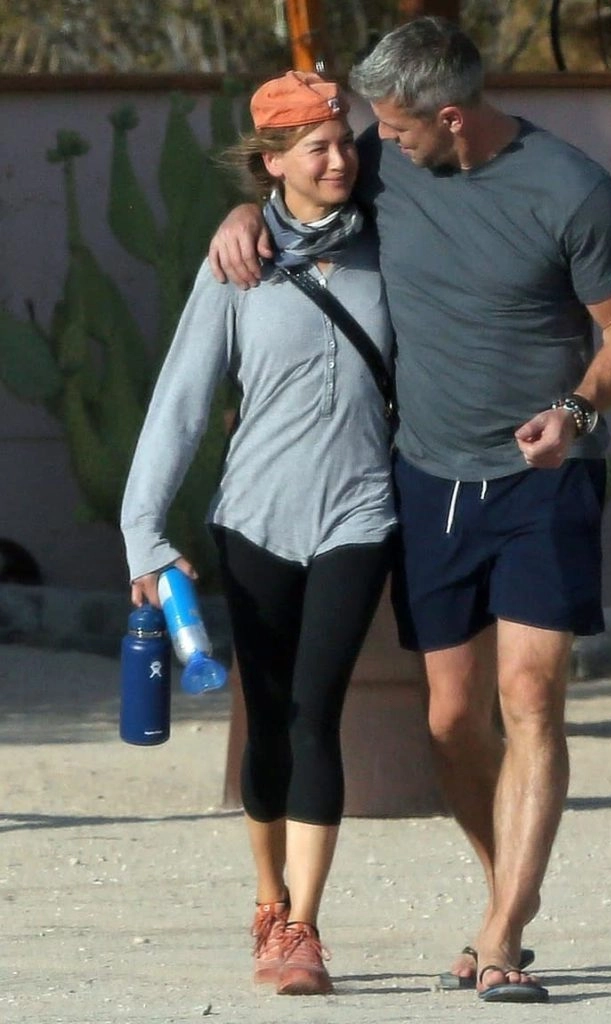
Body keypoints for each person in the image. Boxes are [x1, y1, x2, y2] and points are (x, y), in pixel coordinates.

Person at [208, 16, 611, 1004]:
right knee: (452, 720)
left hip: (544, 477)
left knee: (528, 695)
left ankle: (501, 932)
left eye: (399, 127)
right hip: (429, 476)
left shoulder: (571, 188)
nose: (380, 144)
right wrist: (240, 217)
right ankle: (505, 895)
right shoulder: (382, 161)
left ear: (450, 117)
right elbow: (296, 193)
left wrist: (577, 411)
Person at [120, 71, 396, 997]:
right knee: (268, 715)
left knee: (318, 711)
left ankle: (304, 929)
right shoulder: (237, 264)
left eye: (345, 141)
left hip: (361, 513)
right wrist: (142, 533)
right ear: (271, 162)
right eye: (316, 148)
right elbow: (181, 402)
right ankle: (269, 899)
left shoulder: (392, 244)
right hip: (255, 521)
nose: (339, 160)